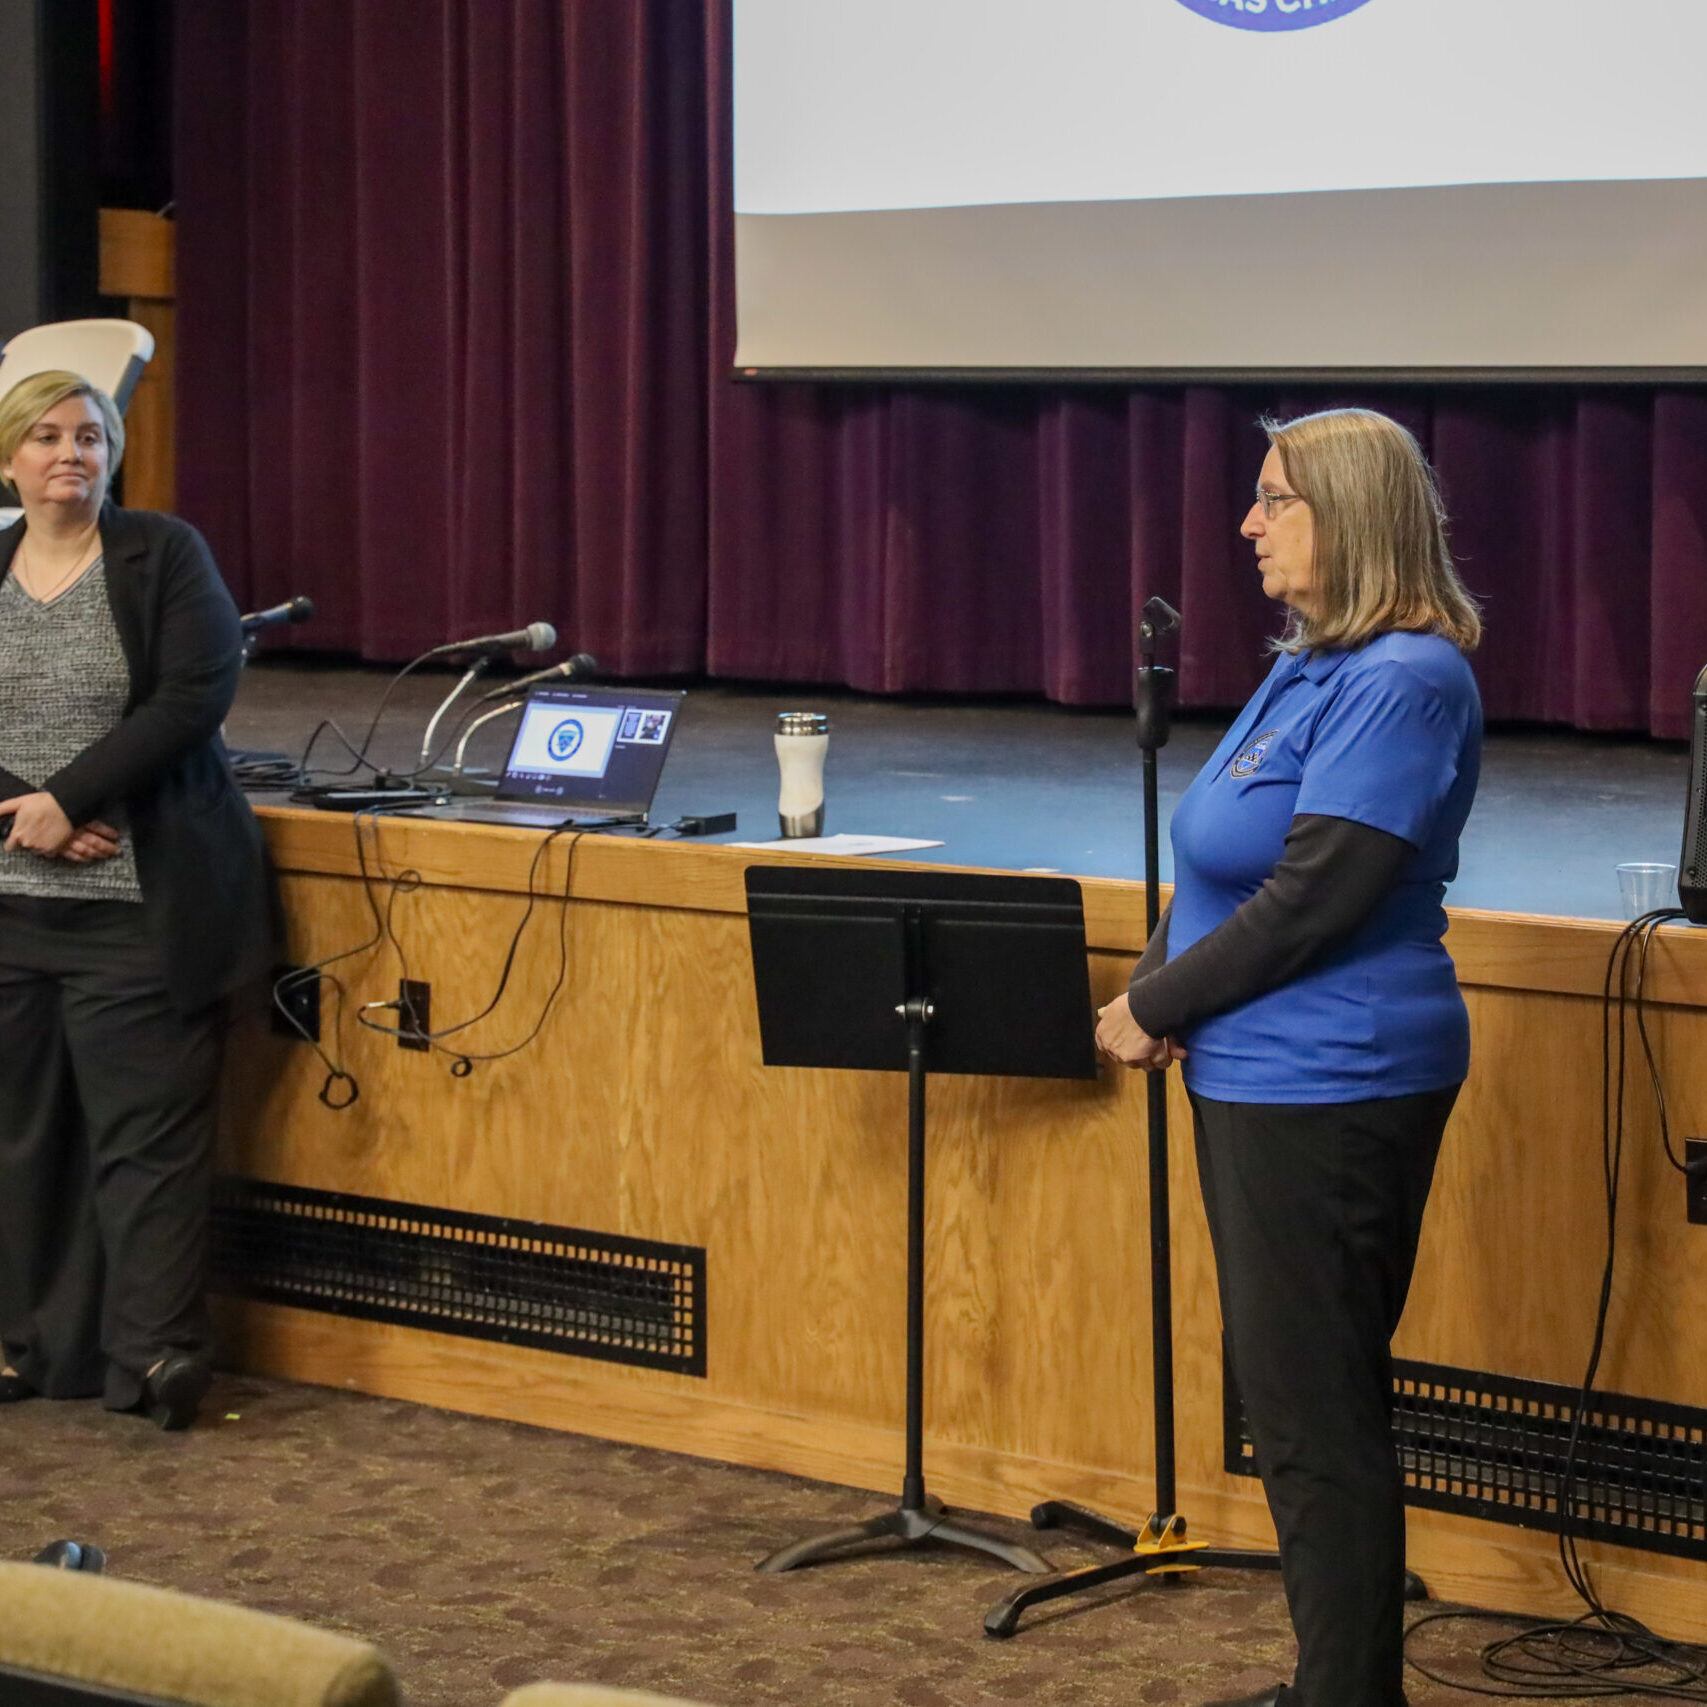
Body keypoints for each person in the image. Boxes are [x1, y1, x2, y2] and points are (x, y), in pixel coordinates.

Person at [1095, 407, 1483, 1707]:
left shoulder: (1404, 677)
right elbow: (1219, 849)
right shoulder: (1313, 662)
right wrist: (1161, 979)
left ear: (1351, 517)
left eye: (1273, 500)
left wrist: (1157, 1004)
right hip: (1254, 1071)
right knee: (1297, 1405)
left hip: (1336, 1077)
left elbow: (1316, 892)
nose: (1246, 523)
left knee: (1316, 1423)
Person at [0, 370, 273, 1430]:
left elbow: (195, 693)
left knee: (143, 1147)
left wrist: (71, 797)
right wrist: (25, 816)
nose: (71, 454)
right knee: (25, 1141)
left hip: (140, 921)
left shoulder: (164, 554)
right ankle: (36, 1347)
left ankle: (154, 1357)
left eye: (90, 437)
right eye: (47, 438)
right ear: (11, 458)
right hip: (13, 911)